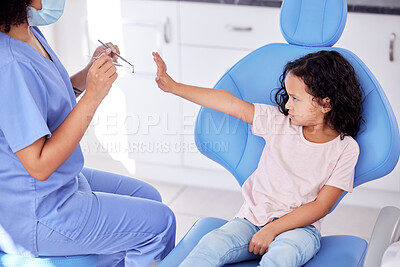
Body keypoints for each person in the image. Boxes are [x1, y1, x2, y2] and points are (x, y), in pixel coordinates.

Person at [0, 1, 175, 267]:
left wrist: (86, 76)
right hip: (39, 210)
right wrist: (93, 97)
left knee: (148, 197)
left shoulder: (29, 33)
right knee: (161, 224)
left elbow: (46, 102)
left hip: (60, 183)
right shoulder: (10, 64)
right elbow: (38, 165)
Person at [153, 50, 364, 267]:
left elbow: (322, 205)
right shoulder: (279, 122)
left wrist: (273, 229)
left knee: (282, 256)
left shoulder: (345, 148)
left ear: (325, 104)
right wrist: (174, 87)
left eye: (296, 98)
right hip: (252, 220)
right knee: (212, 244)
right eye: (288, 96)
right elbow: (231, 104)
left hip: (300, 229)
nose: (288, 105)